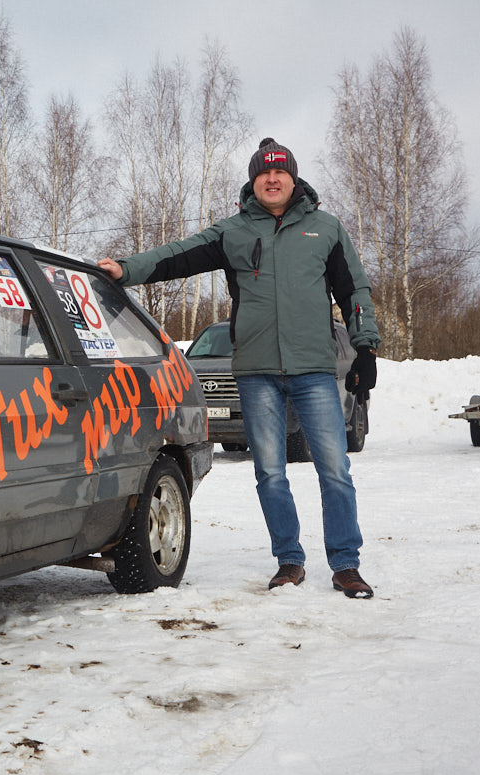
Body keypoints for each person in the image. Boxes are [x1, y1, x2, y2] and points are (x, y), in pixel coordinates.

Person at [98, 137, 380, 599]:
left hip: (312, 369)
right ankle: (289, 561)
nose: (272, 179)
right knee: (270, 472)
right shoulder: (233, 231)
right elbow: (177, 254)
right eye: (264, 172)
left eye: (280, 172)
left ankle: (346, 565)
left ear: (293, 179)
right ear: (254, 182)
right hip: (256, 371)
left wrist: (365, 349)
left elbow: (355, 291)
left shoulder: (326, 229)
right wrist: (126, 269)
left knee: (334, 470)